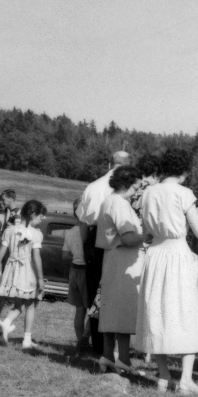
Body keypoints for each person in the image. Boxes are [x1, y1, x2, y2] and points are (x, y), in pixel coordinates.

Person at [136, 148, 198, 392]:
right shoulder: (184, 193)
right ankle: (186, 380)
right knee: (186, 312)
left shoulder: (149, 193)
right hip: (177, 255)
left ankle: (164, 376)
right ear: (185, 172)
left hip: (155, 255)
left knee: (157, 311)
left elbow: (146, 232)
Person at [78, 151, 131, 355]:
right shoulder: (125, 187)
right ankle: (114, 348)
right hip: (116, 237)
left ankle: (99, 347)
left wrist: (86, 247)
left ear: (110, 163)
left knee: (95, 295)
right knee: (113, 292)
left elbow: (83, 221)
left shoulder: (92, 186)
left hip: (93, 237)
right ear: (128, 165)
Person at [96, 166, 145, 371]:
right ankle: (123, 359)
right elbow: (128, 237)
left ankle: (108, 355)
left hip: (114, 260)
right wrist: (149, 236)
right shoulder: (120, 204)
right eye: (136, 186)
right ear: (126, 184)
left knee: (112, 311)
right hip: (123, 261)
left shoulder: (110, 200)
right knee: (123, 311)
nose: (138, 191)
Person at [0, 200, 48, 350]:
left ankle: (5, 324)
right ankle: (26, 340)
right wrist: (40, 279)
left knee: (18, 304)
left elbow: (1, 253)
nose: (42, 220)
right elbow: (36, 257)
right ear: (32, 214)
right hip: (27, 271)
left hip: (12, 270)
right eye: (40, 216)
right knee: (30, 305)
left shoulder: (9, 230)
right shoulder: (36, 234)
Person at [62, 198, 90, 355]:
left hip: (74, 270)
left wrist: (76, 255)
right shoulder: (90, 232)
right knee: (93, 310)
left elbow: (65, 256)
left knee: (80, 309)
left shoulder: (70, 232)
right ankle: (85, 338)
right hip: (87, 271)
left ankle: (81, 341)